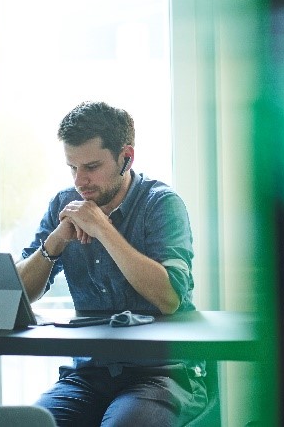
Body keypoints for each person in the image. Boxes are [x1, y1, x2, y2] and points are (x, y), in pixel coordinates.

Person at [16, 101, 207, 426]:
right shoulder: (63, 206)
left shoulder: (162, 205)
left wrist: (103, 228)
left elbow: (170, 298)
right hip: (88, 375)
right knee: (32, 423)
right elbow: (18, 295)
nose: (80, 180)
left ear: (126, 157)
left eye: (91, 167)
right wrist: (55, 242)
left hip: (162, 375)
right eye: (72, 168)